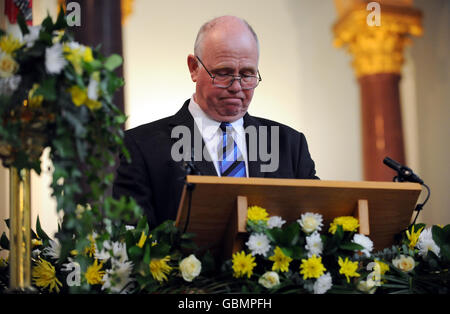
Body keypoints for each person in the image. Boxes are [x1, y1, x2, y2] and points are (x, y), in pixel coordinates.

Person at [113, 16, 318, 229]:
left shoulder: (290, 145)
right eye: (223, 73)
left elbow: (317, 224)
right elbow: (133, 239)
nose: (236, 86)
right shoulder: (143, 146)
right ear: (194, 68)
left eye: (247, 74)